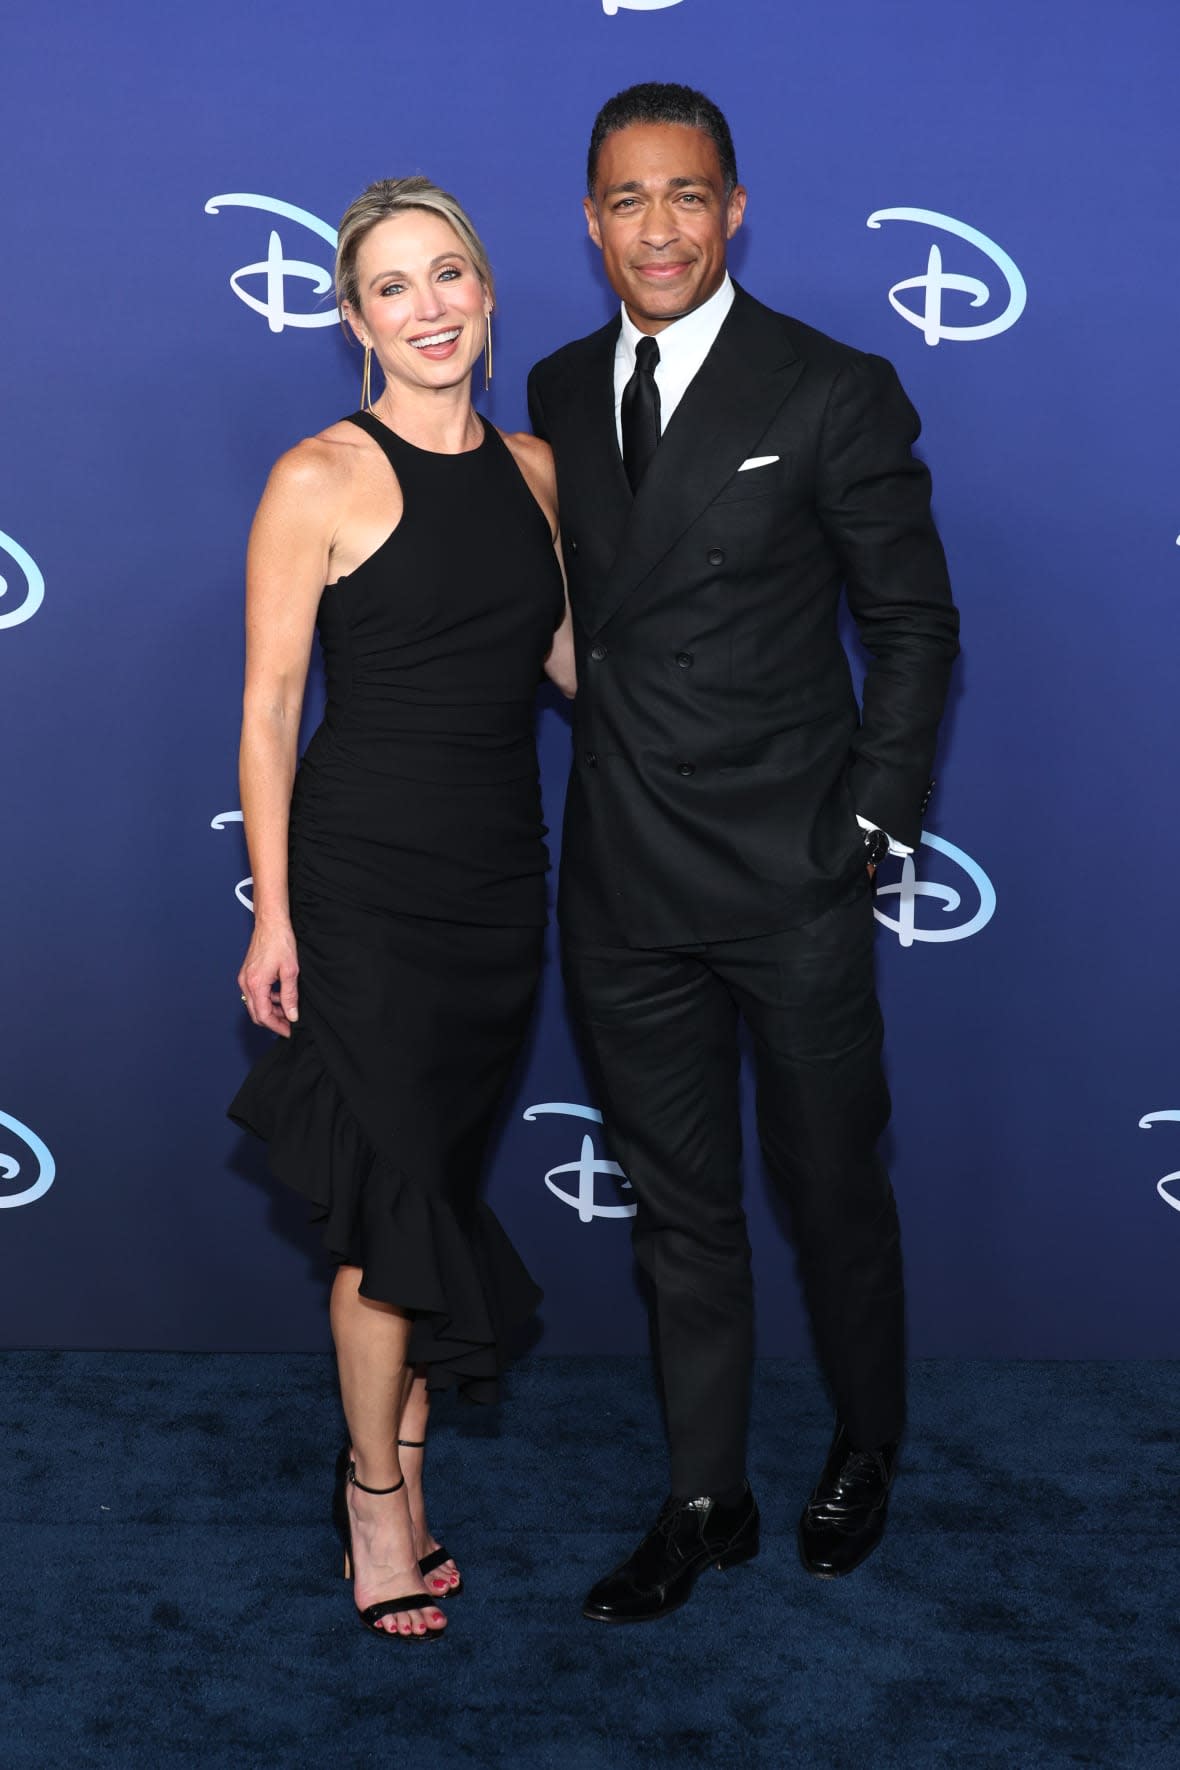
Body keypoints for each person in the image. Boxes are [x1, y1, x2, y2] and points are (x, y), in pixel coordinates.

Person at [527, 83, 959, 1623]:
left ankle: (866, 1436)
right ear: (592, 221)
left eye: (688, 196)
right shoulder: (563, 385)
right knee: (682, 1207)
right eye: (630, 200)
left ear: (736, 207)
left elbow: (912, 622)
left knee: (832, 1178)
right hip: (626, 875)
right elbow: (583, 616)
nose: (660, 227)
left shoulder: (834, 388)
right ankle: (705, 1492)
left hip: (791, 872)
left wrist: (868, 823)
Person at [229, 176, 574, 1641]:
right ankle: (376, 1500)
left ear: (487, 295)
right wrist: (275, 914)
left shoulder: (541, 471)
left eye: (450, 277)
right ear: (351, 315)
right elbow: (268, 710)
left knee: (429, 1180)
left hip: (500, 885)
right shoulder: (319, 473)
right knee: (384, 1208)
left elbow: (572, 662)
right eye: (393, 286)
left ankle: (404, 1466)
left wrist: (726, 742)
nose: (427, 307)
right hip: (366, 884)